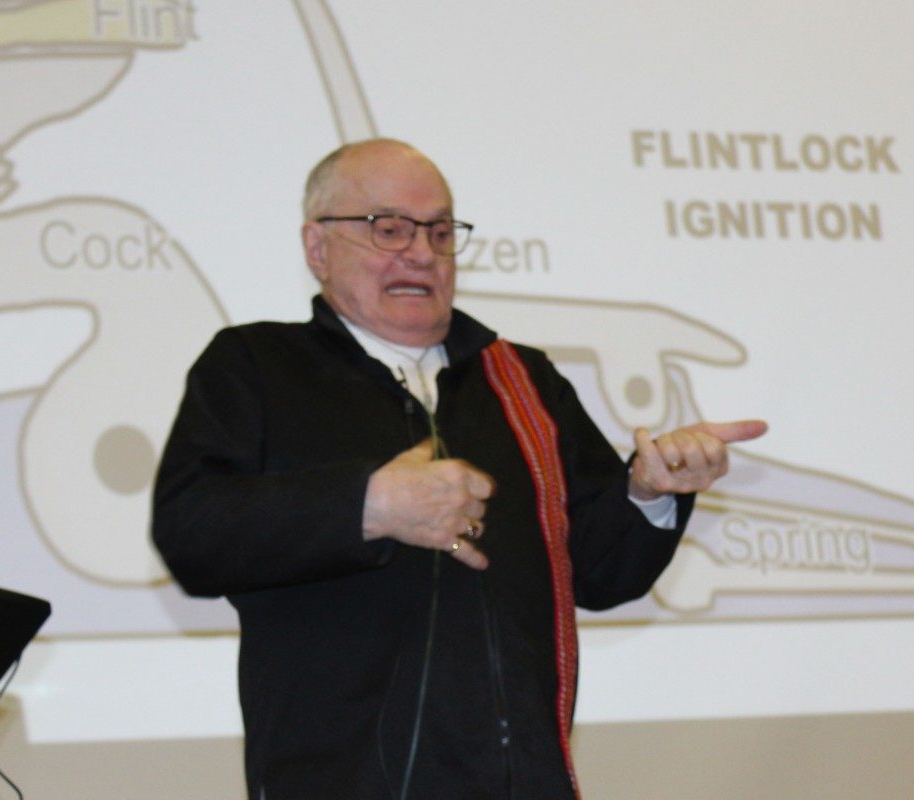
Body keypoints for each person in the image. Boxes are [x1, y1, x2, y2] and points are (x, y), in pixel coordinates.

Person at [152, 138, 767, 800]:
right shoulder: (255, 366)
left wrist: (648, 491)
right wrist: (367, 505)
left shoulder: (523, 380)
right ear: (317, 246)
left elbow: (598, 573)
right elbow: (191, 534)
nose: (421, 252)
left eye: (440, 232)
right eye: (389, 229)